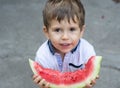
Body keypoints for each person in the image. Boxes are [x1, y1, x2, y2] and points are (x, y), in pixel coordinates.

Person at [32, 0, 99, 88]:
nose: (65, 37)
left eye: (72, 29)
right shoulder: (42, 56)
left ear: (81, 31)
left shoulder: (87, 51)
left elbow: (88, 78)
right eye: (57, 30)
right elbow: (45, 81)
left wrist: (87, 84)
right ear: (47, 32)